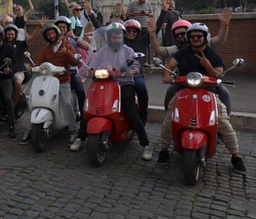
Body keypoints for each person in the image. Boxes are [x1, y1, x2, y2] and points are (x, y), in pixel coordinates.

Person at [157, 23, 246, 174]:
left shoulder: (213, 55)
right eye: (192, 37)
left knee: (223, 122)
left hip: (208, 92)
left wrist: (208, 65)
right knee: (169, 119)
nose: (196, 39)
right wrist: (166, 74)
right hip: (184, 91)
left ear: (205, 37)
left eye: (199, 36)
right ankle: (164, 150)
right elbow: (170, 65)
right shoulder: (182, 52)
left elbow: (219, 75)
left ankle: (236, 156)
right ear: (189, 38)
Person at [87, 23, 153, 161]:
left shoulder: (129, 51)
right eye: (113, 37)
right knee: (89, 108)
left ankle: (146, 144)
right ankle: (80, 136)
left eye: (118, 37)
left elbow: (135, 67)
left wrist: (129, 72)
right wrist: (90, 71)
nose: (116, 40)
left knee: (131, 112)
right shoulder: (101, 52)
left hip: (123, 84)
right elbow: (93, 67)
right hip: (103, 84)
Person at [27, 24, 80, 148]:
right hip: (48, 81)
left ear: (56, 33)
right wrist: (33, 68)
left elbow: (75, 62)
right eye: (48, 35)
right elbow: (40, 62)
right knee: (34, 99)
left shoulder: (67, 46)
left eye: (52, 33)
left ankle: (73, 131)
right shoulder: (47, 50)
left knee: (67, 103)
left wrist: (66, 53)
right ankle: (32, 127)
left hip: (63, 81)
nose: (51, 36)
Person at [123, 19, 149, 124]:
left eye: (134, 31)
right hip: (118, 74)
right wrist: (91, 15)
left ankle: (143, 114)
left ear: (138, 33)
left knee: (141, 87)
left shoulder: (142, 42)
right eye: (128, 30)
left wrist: (164, 12)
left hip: (135, 74)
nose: (131, 33)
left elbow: (153, 32)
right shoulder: (118, 42)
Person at [4, 24, 28, 111]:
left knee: (17, 82)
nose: (10, 36)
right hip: (4, 71)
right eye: (8, 34)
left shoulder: (20, 44)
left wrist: (39, 28)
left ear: (15, 35)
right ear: (5, 34)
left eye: (12, 34)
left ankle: (12, 107)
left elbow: (31, 40)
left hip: (18, 71)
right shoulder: (2, 45)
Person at [126, 0, 154, 64]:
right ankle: (133, 60)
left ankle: (143, 61)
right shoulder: (132, 4)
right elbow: (127, 14)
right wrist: (136, 13)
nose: (142, 3)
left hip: (145, 27)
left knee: (144, 45)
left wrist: (147, 13)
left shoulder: (148, 4)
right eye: (141, 2)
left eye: (143, 2)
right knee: (135, 44)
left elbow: (152, 14)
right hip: (136, 28)